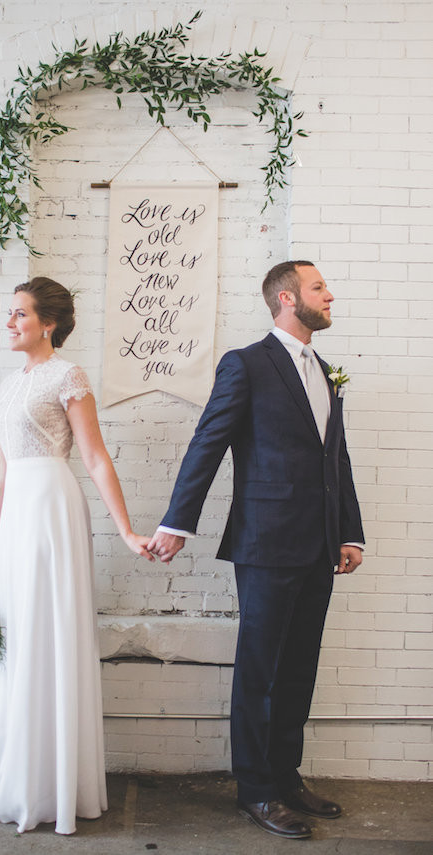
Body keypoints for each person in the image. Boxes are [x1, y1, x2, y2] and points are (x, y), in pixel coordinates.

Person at [147, 261, 364, 840]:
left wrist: (349, 532)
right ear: (289, 298)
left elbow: (333, 459)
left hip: (320, 546)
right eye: (321, 287)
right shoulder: (245, 364)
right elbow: (208, 442)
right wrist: (177, 523)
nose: (330, 295)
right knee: (262, 672)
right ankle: (257, 791)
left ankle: (286, 777)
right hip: (266, 544)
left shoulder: (325, 371)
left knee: (298, 669)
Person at [0, 276, 153, 836]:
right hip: (17, 517)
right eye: (10, 314)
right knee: (17, 637)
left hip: (52, 510)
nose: (10, 322)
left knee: (47, 632)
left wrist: (124, 530)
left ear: (46, 323)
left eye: (19, 314)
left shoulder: (68, 375)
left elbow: (95, 457)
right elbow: (1, 469)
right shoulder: (9, 383)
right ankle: (23, 773)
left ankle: (56, 783)